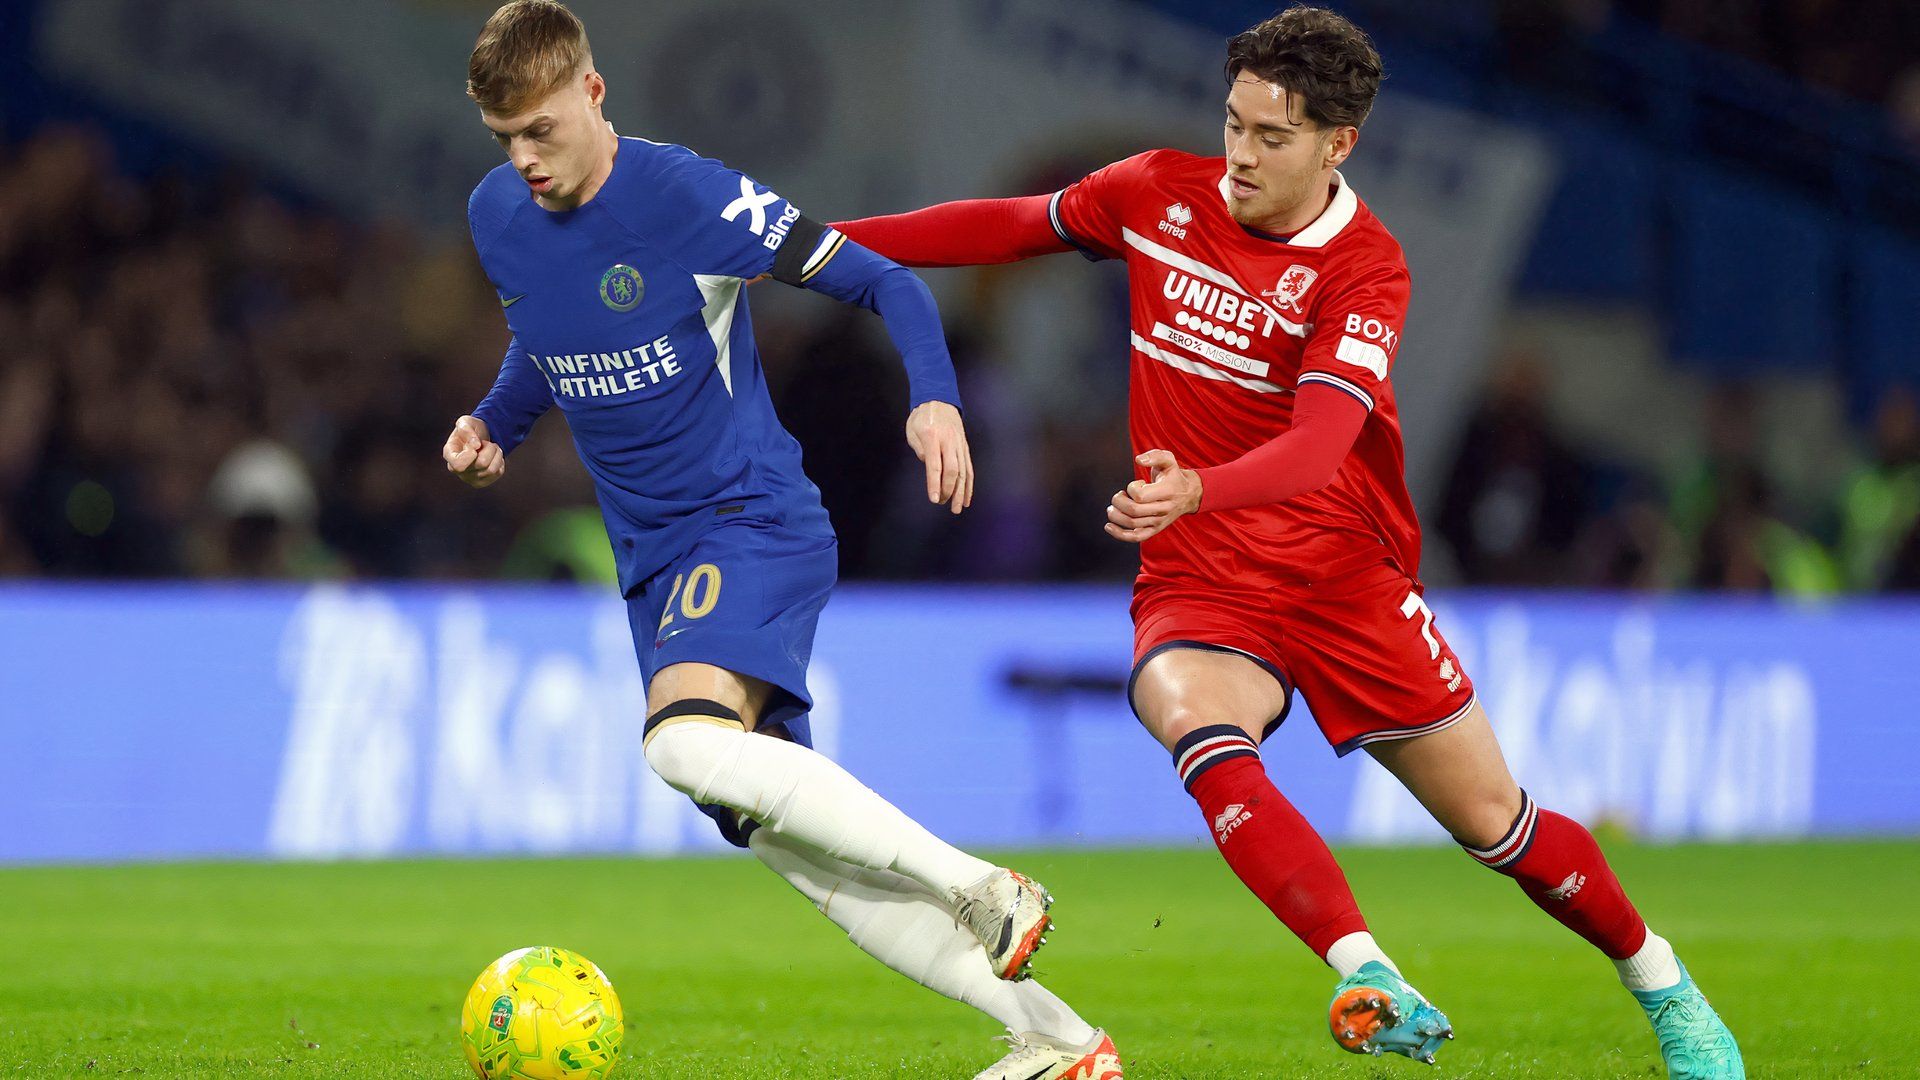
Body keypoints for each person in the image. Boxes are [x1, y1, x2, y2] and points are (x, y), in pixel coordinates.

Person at [835, 6, 1743, 1076]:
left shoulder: (1365, 269)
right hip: (1202, 573)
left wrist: (1198, 486)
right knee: (1186, 712)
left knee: (1497, 825)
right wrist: (818, 249)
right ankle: (1365, 969)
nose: (1241, 155)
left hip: (1342, 577)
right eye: (1234, 123)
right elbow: (1010, 225)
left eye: (1272, 136)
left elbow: (1319, 447)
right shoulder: (1155, 192)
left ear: (1337, 143)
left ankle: (1664, 984)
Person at [441, 5, 1121, 1078]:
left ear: (593, 92)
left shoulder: (692, 197)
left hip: (747, 518)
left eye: (540, 130)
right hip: (653, 563)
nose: (524, 160)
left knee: (679, 745)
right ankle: (1062, 1043)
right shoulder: (498, 215)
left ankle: (983, 885)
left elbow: (881, 278)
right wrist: (498, 419)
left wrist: (934, 401)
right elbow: (547, 328)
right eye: (503, 139)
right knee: (801, 855)